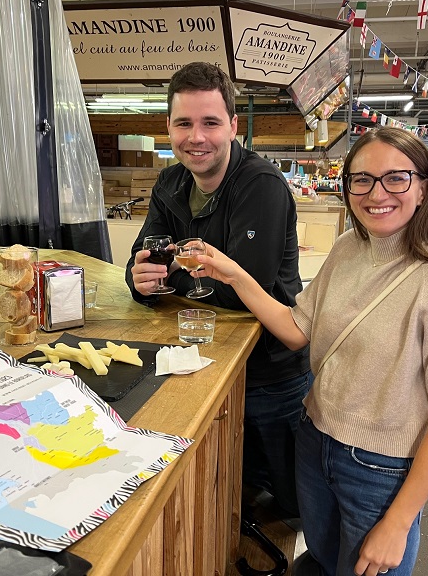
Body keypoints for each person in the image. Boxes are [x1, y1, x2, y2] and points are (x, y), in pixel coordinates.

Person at [196, 127, 428, 576]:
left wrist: (399, 522)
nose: (377, 194)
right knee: (323, 559)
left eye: (396, 178)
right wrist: (234, 274)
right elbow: (297, 330)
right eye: (362, 179)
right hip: (314, 441)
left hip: (380, 469)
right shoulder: (348, 247)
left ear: (425, 187)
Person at [126, 62, 311, 518]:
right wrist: (139, 279)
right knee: (222, 495)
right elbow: (144, 257)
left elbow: (241, 290)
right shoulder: (170, 183)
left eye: (210, 122)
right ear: (168, 127)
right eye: (183, 123)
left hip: (266, 373)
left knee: (288, 505)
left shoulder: (261, 186)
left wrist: (170, 277)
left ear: (233, 125)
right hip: (200, 361)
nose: (196, 137)